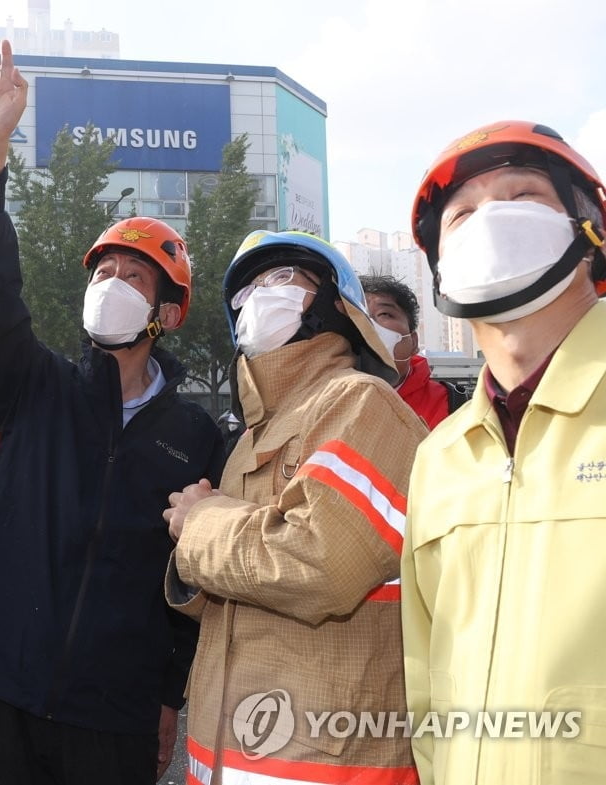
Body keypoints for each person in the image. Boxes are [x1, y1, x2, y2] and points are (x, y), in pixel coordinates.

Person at [0, 36, 226, 785]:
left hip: (114, 710)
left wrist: (168, 694)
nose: (114, 282)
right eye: (107, 270)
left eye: (136, 275)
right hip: (5, 687)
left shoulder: (196, 435)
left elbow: (189, 578)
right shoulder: (39, 387)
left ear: (169, 312)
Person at [164, 231, 428, 785]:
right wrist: (191, 562)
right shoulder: (256, 433)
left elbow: (319, 563)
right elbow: (247, 588)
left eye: (284, 279)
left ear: (337, 307)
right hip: (229, 754)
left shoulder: (360, 402)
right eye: (250, 289)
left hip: (327, 763)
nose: (263, 294)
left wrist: (201, 525)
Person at [401, 121, 606, 784]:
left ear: (590, 233)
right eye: (461, 215)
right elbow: (427, 688)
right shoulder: (440, 458)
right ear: (439, 269)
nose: (491, 220)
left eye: (524, 194)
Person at [360, 274, 468, 428]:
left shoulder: (453, 407)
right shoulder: (326, 400)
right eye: (358, 315)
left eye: (384, 314)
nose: (369, 326)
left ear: (414, 342)